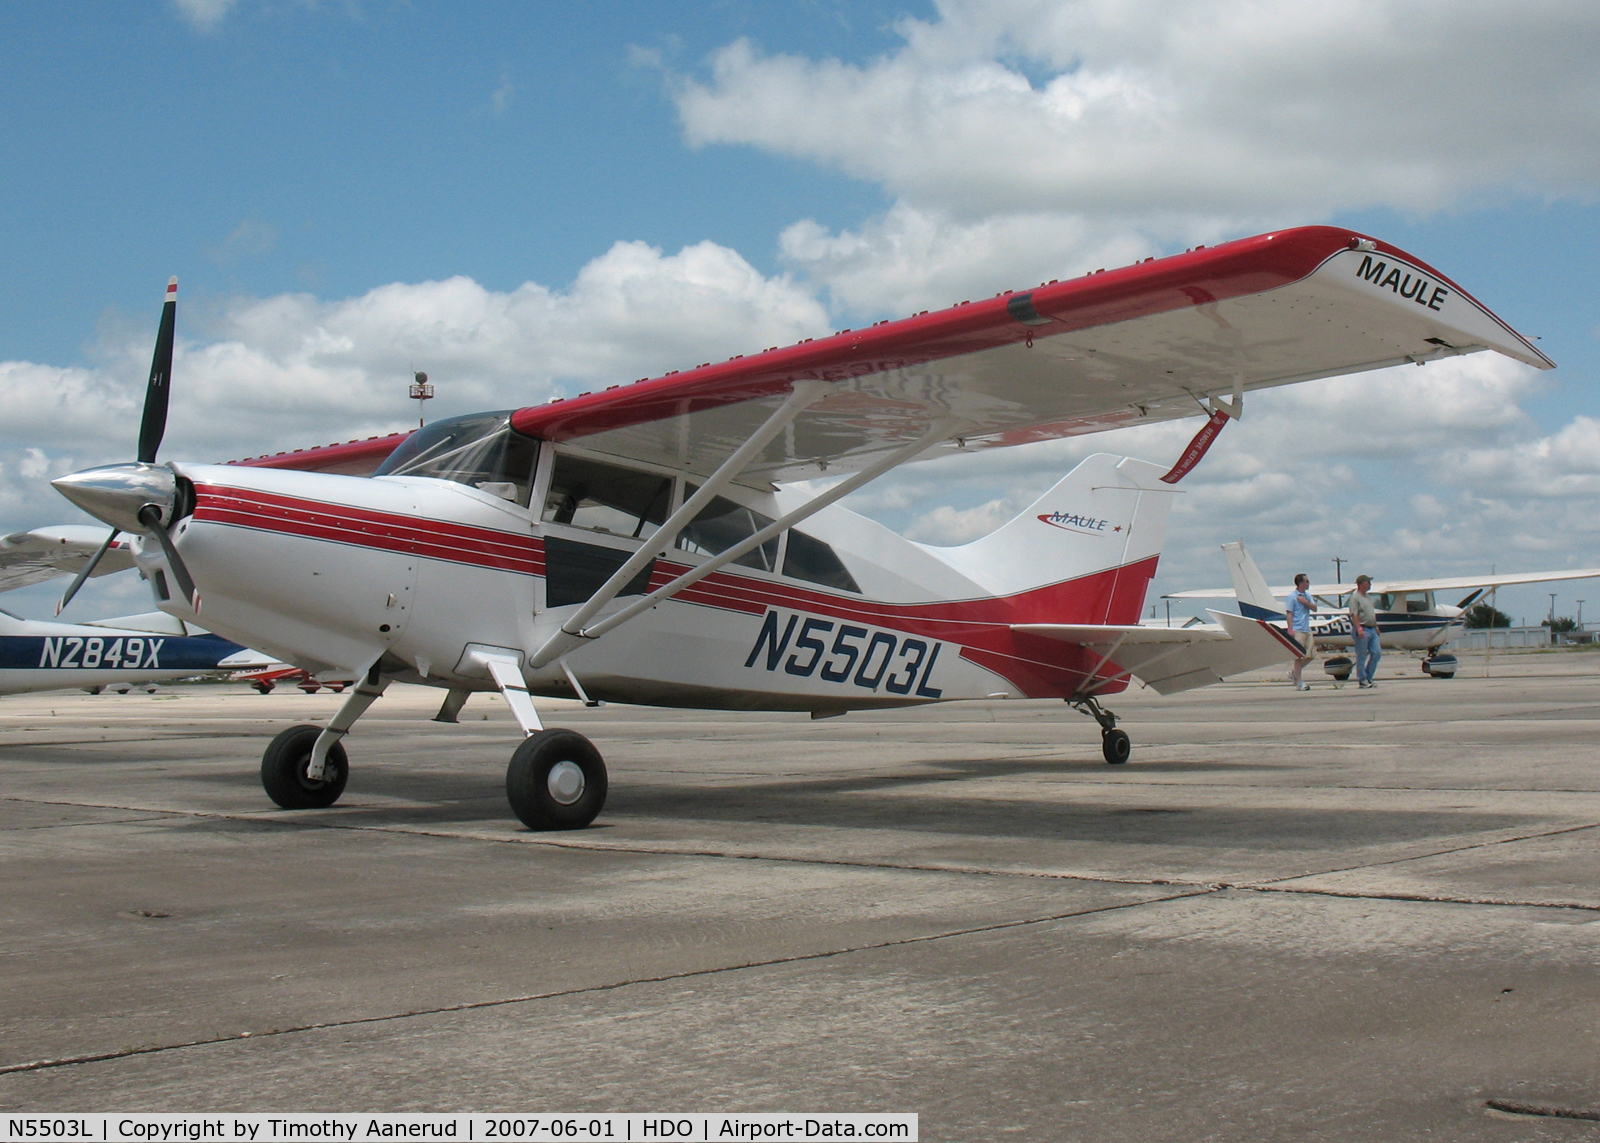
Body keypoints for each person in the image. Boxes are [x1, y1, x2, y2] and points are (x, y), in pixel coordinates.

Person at [1349, 574, 1382, 688]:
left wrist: (1376, 626)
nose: (1370, 584)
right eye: (1368, 582)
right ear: (1362, 584)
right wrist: (1359, 629)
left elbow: (1371, 613)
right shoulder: (1355, 597)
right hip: (1362, 628)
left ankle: (1369, 677)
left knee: (1377, 653)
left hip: (1372, 628)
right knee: (1361, 655)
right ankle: (1362, 679)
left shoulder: (1368, 597)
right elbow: (1355, 614)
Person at [1286, 572, 1316, 690]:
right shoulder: (1292, 596)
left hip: (1306, 629)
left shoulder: (1307, 595)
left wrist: (1306, 602)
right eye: (1307, 581)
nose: (1308, 583)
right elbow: (1289, 613)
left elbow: (1314, 608)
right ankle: (1299, 682)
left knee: (1311, 655)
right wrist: (1290, 629)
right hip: (1298, 629)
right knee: (1299, 656)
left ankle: (1294, 673)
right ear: (1301, 583)